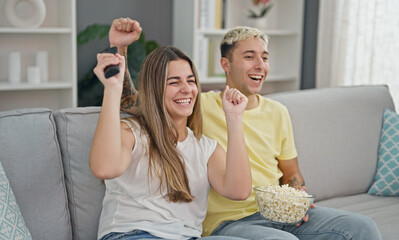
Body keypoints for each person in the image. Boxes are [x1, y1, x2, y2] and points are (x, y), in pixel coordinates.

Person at [110, 17, 382, 240]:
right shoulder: (196, 103)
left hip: (277, 214)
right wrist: (120, 51)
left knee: (363, 228)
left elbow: (291, 172)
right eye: (249, 56)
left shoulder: (278, 112)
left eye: (264, 57)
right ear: (225, 65)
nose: (259, 65)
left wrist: (298, 197)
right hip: (228, 222)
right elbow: (137, 102)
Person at [90, 43, 253, 240]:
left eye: (191, 81)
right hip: (133, 233)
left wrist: (235, 118)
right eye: (174, 82)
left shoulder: (205, 147)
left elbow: (239, 190)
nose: (186, 89)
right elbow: (104, 169)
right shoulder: (131, 133)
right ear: (155, 90)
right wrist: (113, 89)